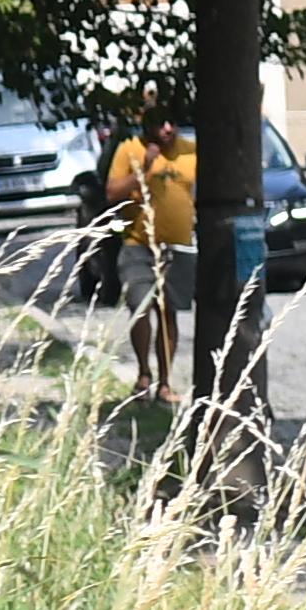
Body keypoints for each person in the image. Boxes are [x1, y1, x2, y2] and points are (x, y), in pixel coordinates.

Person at [111, 115, 197, 402]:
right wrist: (145, 167)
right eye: (161, 124)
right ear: (146, 127)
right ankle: (143, 374)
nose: (168, 128)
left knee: (168, 312)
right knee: (140, 307)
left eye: (171, 123)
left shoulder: (190, 151)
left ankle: (164, 382)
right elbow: (112, 192)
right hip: (138, 246)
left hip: (177, 247)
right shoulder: (129, 149)